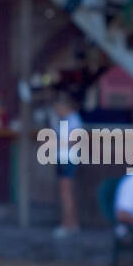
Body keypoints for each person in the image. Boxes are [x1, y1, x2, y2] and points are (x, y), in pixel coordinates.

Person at [51, 93, 83, 235]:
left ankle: (67, 224)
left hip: (68, 158)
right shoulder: (64, 120)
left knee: (66, 193)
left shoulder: (74, 120)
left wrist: (55, 143)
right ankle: (72, 223)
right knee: (65, 192)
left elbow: (75, 140)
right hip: (62, 157)